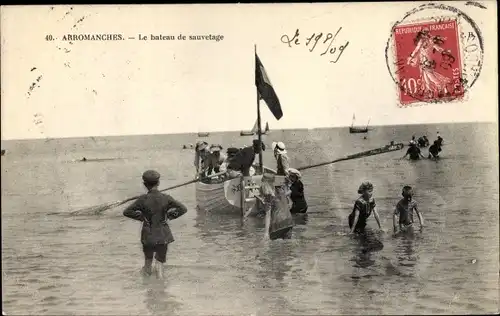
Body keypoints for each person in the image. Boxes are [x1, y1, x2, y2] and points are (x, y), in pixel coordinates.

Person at [123, 170, 188, 279]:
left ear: (144, 184)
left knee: (148, 262)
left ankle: (147, 287)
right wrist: (170, 215)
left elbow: (127, 212)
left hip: (148, 235)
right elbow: (183, 209)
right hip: (163, 235)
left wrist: (141, 217)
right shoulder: (166, 198)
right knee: (159, 264)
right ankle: (161, 288)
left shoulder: (142, 199)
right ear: (158, 183)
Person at [256, 172, 293, 240]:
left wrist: (266, 233)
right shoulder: (280, 190)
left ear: (264, 183)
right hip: (288, 221)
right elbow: (290, 204)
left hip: (277, 224)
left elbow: (268, 215)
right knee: (287, 247)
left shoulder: (268, 195)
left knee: (273, 249)